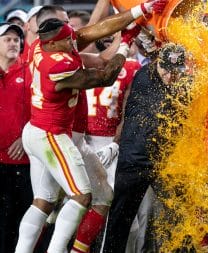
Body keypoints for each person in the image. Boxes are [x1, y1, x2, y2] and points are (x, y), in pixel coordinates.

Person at [14, 18, 128, 253]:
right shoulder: (58, 65)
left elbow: (95, 33)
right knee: (81, 196)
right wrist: (125, 45)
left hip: (47, 132)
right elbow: (104, 76)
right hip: (55, 135)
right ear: (54, 43)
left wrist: (139, 12)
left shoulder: (41, 44)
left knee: (44, 201)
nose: (72, 38)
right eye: (66, 36)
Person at [102, 42, 190, 253]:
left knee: (179, 218)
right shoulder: (145, 78)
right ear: (157, 64)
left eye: (175, 71)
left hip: (161, 162)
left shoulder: (180, 80)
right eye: (166, 70)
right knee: (120, 220)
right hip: (135, 160)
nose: (170, 76)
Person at [0, 22, 32, 253]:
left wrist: (25, 138)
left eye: (16, 39)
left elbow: (44, 110)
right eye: (7, 39)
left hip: (27, 162)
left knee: (25, 223)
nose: (13, 43)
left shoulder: (30, 71)